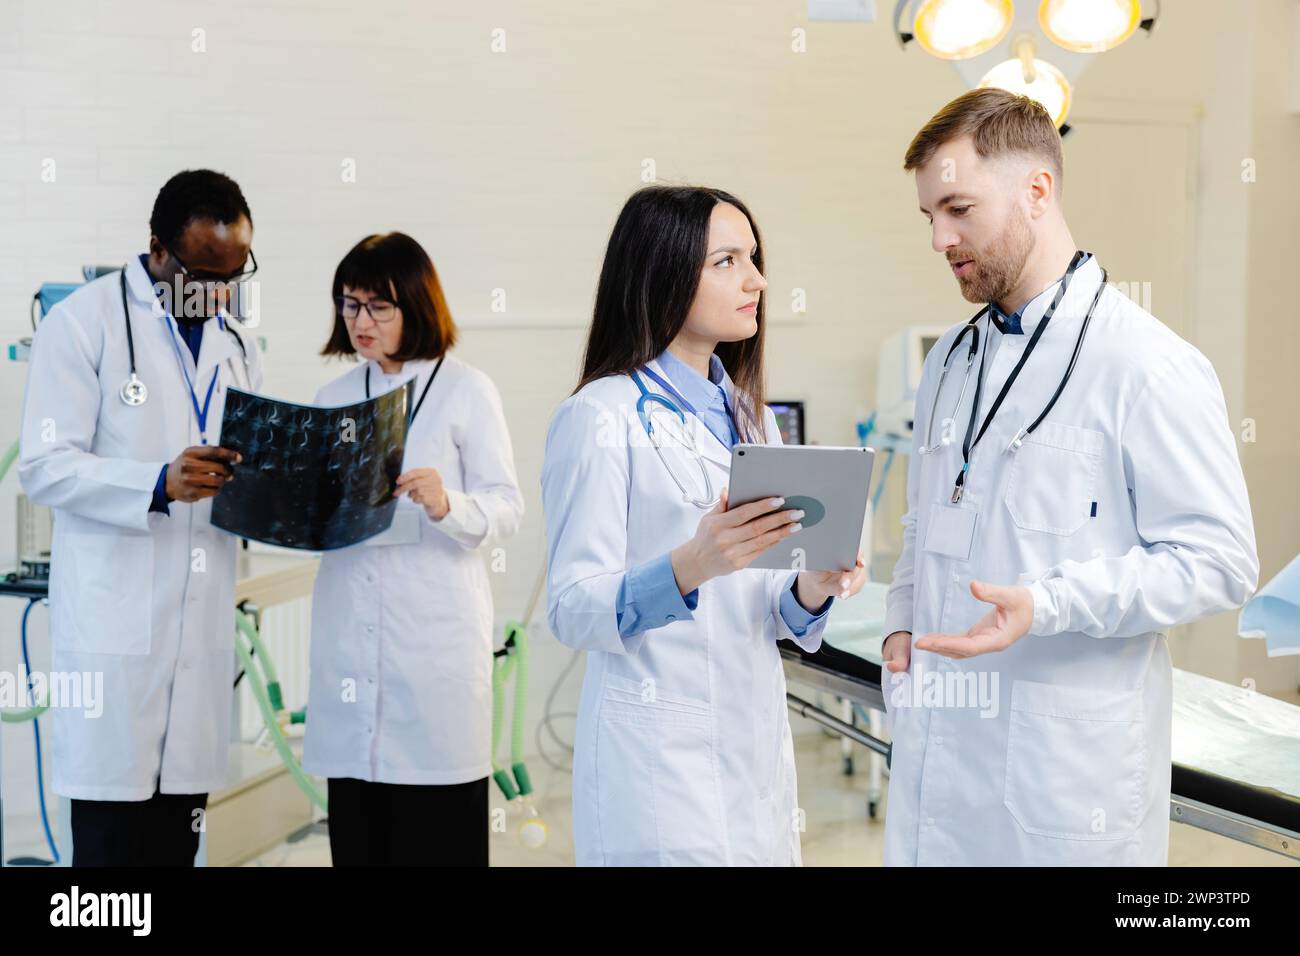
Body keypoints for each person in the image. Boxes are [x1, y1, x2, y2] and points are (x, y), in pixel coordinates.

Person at [882, 88, 1259, 865]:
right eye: (928, 217)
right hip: (942, 758)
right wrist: (899, 615)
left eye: (957, 209)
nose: (938, 239)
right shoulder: (952, 361)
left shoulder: (1147, 365)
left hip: (1065, 784)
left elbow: (1219, 564)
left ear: (1037, 191)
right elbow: (927, 519)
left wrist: (1050, 604)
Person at [542, 185, 867, 866]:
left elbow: (766, 609)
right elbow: (572, 608)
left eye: (753, 258)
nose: (757, 280)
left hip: (752, 746)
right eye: (727, 261)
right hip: (658, 759)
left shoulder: (753, 418)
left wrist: (815, 583)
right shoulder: (601, 417)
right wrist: (690, 566)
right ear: (662, 272)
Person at [19, 169, 263, 866]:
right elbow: (43, 464)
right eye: (201, 274)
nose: (217, 294)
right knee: (110, 861)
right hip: (115, 640)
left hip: (199, 633)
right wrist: (156, 483)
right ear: (157, 248)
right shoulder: (84, 323)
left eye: (233, 276)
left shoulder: (237, 346)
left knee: (177, 844)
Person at [304, 232, 524, 866]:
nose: (360, 322)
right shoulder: (334, 398)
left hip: (433, 645)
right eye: (349, 305)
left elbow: (507, 507)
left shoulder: (466, 389)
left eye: (379, 307)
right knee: (359, 829)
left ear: (418, 306)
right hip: (349, 631)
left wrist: (448, 502)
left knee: (438, 831)